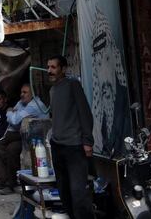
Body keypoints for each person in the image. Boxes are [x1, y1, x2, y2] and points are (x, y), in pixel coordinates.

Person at [48, 55, 94, 219]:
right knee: (64, 191)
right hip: (57, 146)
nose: (50, 71)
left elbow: (85, 113)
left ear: (63, 69)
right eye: (49, 67)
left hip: (74, 147)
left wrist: (88, 141)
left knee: (78, 193)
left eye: (53, 67)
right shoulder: (52, 90)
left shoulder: (73, 84)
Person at [0, 83, 48, 194]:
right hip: (22, 135)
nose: (21, 95)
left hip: (35, 139)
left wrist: (11, 112)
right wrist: (13, 115)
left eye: (25, 92)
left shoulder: (34, 106)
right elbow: (14, 122)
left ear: (33, 94)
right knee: (4, 145)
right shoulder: (22, 103)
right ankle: (3, 180)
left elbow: (14, 119)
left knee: (7, 145)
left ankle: (10, 184)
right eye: (21, 92)